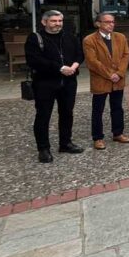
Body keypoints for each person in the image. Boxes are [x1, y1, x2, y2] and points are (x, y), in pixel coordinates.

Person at [26, 10, 85, 163]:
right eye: (53, 21)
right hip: (45, 83)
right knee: (43, 115)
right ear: (44, 22)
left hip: (69, 82)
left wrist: (75, 65)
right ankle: (43, 148)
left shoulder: (69, 37)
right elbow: (34, 60)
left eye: (60, 21)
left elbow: (80, 54)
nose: (57, 24)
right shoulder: (35, 38)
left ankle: (65, 143)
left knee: (67, 113)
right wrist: (60, 68)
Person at [83, 13, 129, 150]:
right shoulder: (90, 40)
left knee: (117, 107)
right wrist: (110, 74)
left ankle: (118, 133)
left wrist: (120, 73)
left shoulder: (120, 37)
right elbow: (92, 62)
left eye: (113, 22)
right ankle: (97, 137)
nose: (111, 24)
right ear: (98, 23)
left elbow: (125, 55)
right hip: (101, 79)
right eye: (107, 22)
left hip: (118, 80)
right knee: (98, 110)